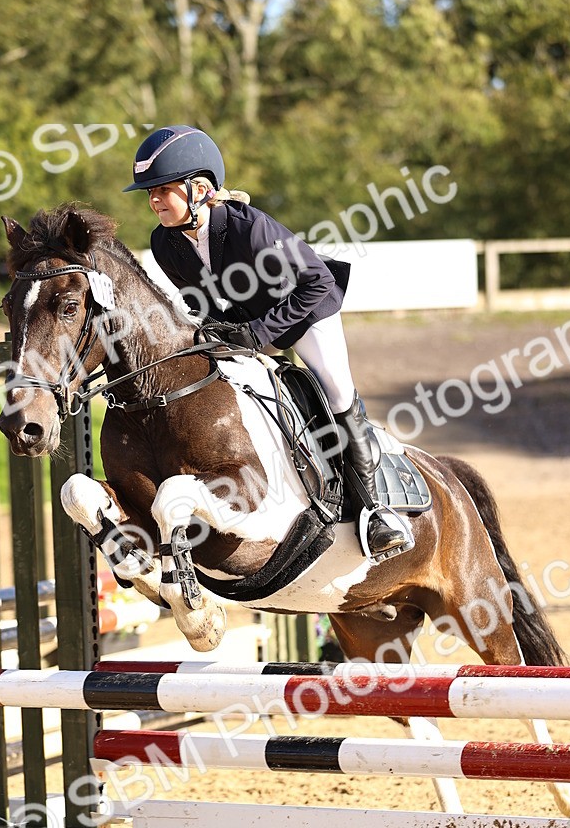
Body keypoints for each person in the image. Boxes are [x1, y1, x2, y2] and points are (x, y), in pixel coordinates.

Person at [123, 124, 408, 558]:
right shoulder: (164, 242)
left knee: (336, 390)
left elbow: (317, 281)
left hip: (306, 311)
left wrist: (260, 333)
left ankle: (375, 510)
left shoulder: (249, 228)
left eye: (164, 189)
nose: (155, 200)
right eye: (150, 192)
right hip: (246, 321)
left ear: (200, 190)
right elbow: (199, 299)